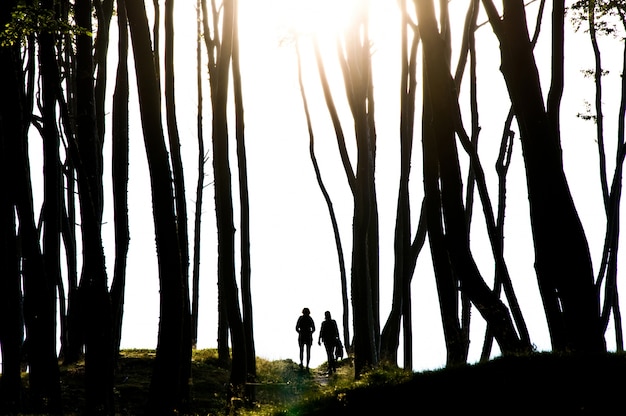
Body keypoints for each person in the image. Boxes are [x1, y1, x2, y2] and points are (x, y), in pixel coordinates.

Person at [318, 311, 340, 375]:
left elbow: (321, 331)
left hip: (327, 340)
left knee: (329, 353)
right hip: (331, 339)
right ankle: (332, 367)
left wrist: (319, 339)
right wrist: (338, 338)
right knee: (331, 353)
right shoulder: (333, 322)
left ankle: (331, 367)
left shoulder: (324, 323)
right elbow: (336, 330)